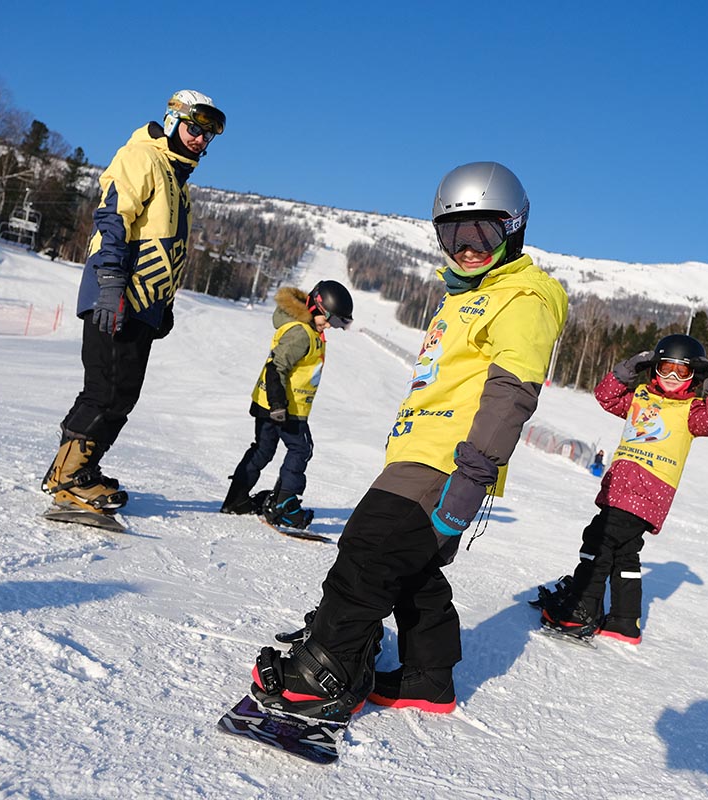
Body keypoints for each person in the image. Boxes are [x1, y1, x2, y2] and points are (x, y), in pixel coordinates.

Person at [243, 162, 568, 722]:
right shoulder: (466, 293)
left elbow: (511, 394)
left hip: (450, 459)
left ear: (515, 227)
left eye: (483, 234)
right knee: (409, 565)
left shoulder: (523, 297)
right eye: (454, 235)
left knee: (368, 551)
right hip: (419, 452)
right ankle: (428, 675)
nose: (468, 248)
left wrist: (470, 478)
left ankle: (328, 669)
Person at [42, 90, 225, 520]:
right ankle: (71, 477)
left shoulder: (177, 182)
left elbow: (166, 248)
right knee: (104, 389)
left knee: (121, 392)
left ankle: (72, 469)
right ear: (173, 120)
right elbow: (112, 216)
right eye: (193, 128)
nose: (199, 139)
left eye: (206, 134)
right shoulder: (144, 157)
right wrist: (108, 281)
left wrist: (164, 303)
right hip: (117, 294)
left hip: (143, 302)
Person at [535, 334, 708, 645]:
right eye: (666, 368)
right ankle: (624, 621)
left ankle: (580, 613)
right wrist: (631, 367)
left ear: (694, 375)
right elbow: (606, 396)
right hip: (619, 490)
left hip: (646, 493)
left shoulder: (693, 411)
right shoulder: (639, 397)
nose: (671, 377)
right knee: (624, 554)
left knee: (598, 544)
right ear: (653, 368)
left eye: (681, 372)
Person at [220, 280, 354, 528]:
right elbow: (276, 368)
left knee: (263, 449)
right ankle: (283, 505)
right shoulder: (301, 334)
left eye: (336, 323)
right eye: (330, 320)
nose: (330, 327)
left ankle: (236, 499)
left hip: (269, 402)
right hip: (284, 406)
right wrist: (279, 405)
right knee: (301, 449)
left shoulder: (307, 329)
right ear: (315, 307)